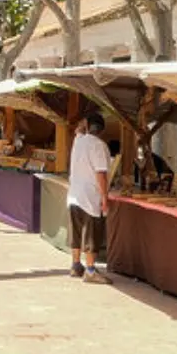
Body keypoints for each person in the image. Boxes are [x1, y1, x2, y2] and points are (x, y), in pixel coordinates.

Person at [67, 112, 113, 284]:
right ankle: (91, 270)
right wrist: (104, 197)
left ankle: (76, 265)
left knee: (77, 232)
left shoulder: (78, 141)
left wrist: (83, 124)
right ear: (101, 130)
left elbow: (78, 130)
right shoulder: (98, 146)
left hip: (74, 194)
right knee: (91, 234)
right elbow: (100, 173)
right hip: (89, 196)